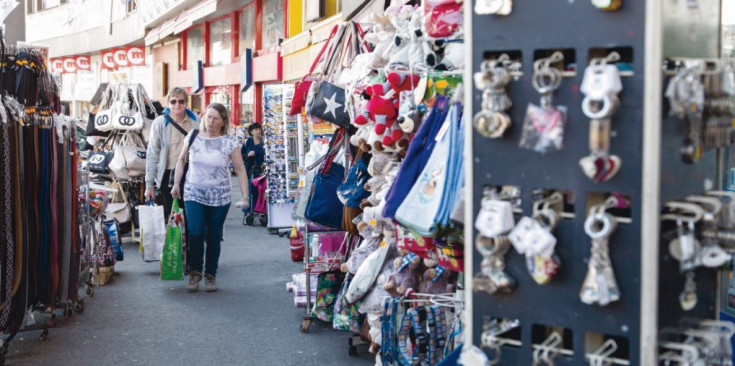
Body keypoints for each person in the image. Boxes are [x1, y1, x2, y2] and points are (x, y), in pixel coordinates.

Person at [171, 103, 250, 292]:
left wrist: (245, 196)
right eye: (208, 117)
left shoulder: (229, 142)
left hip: (220, 197)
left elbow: (240, 169)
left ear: (223, 122)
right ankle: (195, 272)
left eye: (215, 118)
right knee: (196, 232)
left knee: (213, 236)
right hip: (194, 193)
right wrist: (176, 183)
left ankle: (210, 274)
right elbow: (181, 159)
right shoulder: (193, 136)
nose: (210, 121)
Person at [145, 88, 199, 219]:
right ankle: (178, 240)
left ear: (186, 103)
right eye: (173, 101)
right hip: (169, 175)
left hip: (192, 174)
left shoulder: (196, 122)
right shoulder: (160, 123)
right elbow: (152, 154)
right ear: (168, 103)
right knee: (174, 216)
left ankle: (191, 239)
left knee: (191, 216)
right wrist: (149, 185)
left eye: (181, 101)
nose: (177, 105)